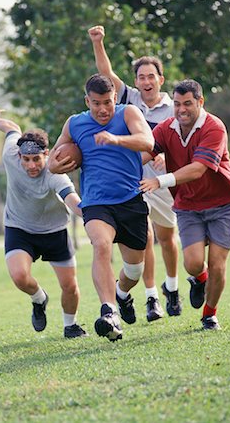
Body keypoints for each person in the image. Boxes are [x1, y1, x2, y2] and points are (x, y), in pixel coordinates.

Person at [48, 74, 154, 341]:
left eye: (107, 102)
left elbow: (148, 141)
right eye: (96, 103)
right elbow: (54, 155)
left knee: (134, 272)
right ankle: (109, 311)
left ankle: (121, 293)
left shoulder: (128, 113)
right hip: (96, 202)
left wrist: (117, 140)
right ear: (87, 101)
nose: (103, 109)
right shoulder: (75, 123)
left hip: (130, 201)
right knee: (101, 245)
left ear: (115, 98)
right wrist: (53, 164)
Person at [88, 25, 181, 322]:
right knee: (147, 235)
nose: (145, 81)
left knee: (166, 237)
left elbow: (178, 141)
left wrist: (165, 156)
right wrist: (98, 42)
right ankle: (151, 297)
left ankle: (173, 287)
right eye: (140, 77)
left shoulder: (172, 109)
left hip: (161, 177)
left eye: (150, 76)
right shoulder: (128, 101)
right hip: (132, 179)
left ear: (160, 79)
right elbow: (105, 73)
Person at [140, 79, 230, 330]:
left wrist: (160, 181)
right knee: (193, 263)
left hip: (223, 205)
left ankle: (209, 314)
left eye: (187, 103)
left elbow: (198, 169)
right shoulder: (166, 128)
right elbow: (144, 153)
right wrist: (110, 161)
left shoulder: (214, 127)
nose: (181, 110)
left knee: (218, 265)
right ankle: (200, 278)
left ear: (200, 102)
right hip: (188, 205)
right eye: (177, 104)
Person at [0, 109, 88, 338]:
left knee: (70, 286)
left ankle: (71, 326)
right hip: (19, 227)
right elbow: (12, 129)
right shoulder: (10, 155)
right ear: (18, 156)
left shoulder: (55, 174)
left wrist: (94, 216)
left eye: (36, 159)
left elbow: (73, 202)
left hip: (54, 230)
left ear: (46, 155)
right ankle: (39, 299)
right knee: (19, 276)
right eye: (26, 159)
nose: (31, 165)